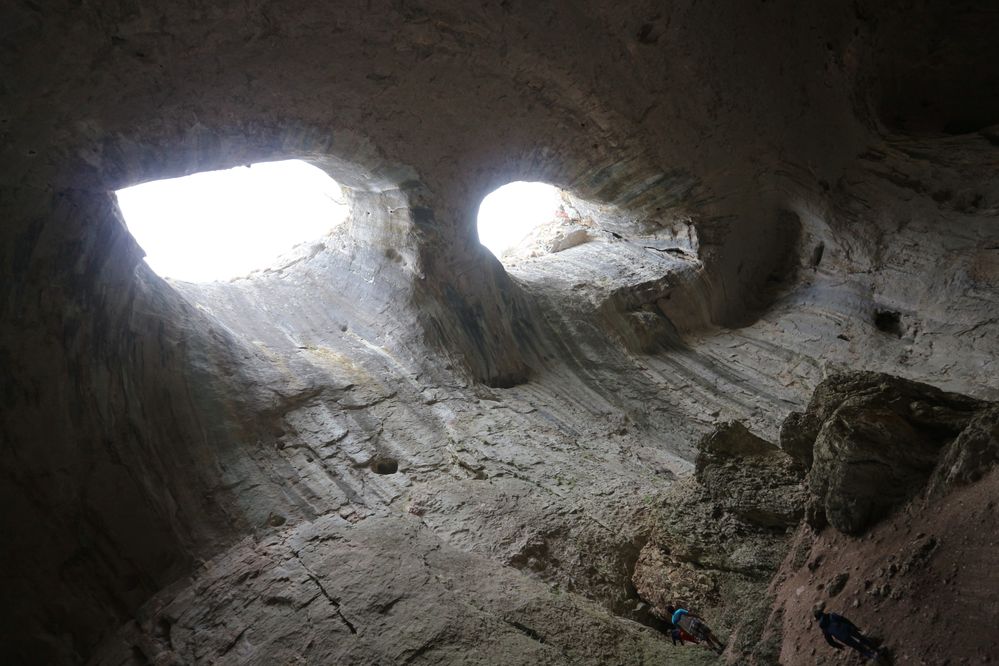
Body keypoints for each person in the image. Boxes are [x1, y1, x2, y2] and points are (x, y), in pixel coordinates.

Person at [814, 609, 881, 660]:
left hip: (844, 638)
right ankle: (877, 649)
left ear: (818, 619)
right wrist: (854, 627)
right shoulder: (832, 615)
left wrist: (839, 646)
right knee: (863, 639)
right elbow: (845, 620)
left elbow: (830, 641)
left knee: (858, 647)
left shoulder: (824, 629)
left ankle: (872, 656)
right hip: (849, 629)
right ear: (822, 612)